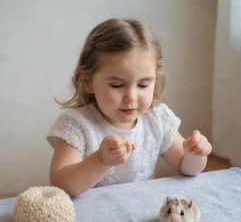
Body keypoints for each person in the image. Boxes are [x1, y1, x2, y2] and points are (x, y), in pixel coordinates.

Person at [47, 18, 212, 197]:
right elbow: (62, 184)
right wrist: (101, 161)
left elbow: (187, 168)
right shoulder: (76, 124)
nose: (131, 97)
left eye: (143, 85)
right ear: (88, 83)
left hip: (138, 211)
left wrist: (195, 154)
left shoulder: (157, 119)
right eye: (117, 85)